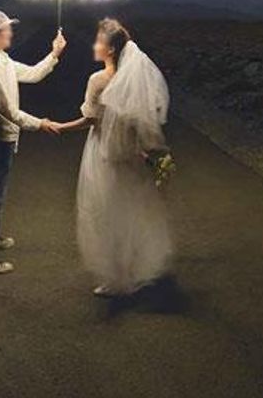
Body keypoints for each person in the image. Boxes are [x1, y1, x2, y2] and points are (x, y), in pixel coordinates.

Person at [46, 16, 173, 296]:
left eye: (100, 41)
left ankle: (116, 279)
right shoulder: (132, 81)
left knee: (104, 213)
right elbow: (137, 122)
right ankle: (131, 271)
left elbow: (90, 120)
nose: (95, 45)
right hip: (129, 153)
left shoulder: (98, 80)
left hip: (102, 152)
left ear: (111, 49)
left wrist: (58, 126)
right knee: (129, 211)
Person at [0, 7, 65, 275]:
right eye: (6, 28)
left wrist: (54, 53)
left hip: (2, 136)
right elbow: (8, 111)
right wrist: (41, 123)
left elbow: (33, 74)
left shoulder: (2, 59)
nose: (11, 31)